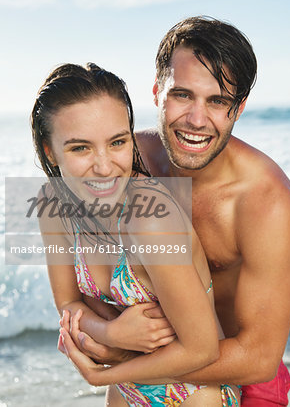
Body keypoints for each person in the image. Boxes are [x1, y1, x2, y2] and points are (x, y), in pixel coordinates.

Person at [67, 17, 290, 406]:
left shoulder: (265, 202)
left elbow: (260, 358)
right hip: (145, 372)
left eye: (217, 101)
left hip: (237, 377)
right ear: (157, 92)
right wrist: (108, 336)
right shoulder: (126, 162)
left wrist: (127, 357)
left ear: (238, 109)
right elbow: (80, 274)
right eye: (182, 95)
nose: (196, 119)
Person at [31, 62, 241, 406]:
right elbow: (68, 304)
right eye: (80, 148)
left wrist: (104, 373)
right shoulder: (51, 204)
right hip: (129, 391)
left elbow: (202, 350)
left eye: (117, 142)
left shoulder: (149, 219)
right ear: (51, 151)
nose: (103, 166)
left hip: (194, 393)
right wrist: (109, 332)